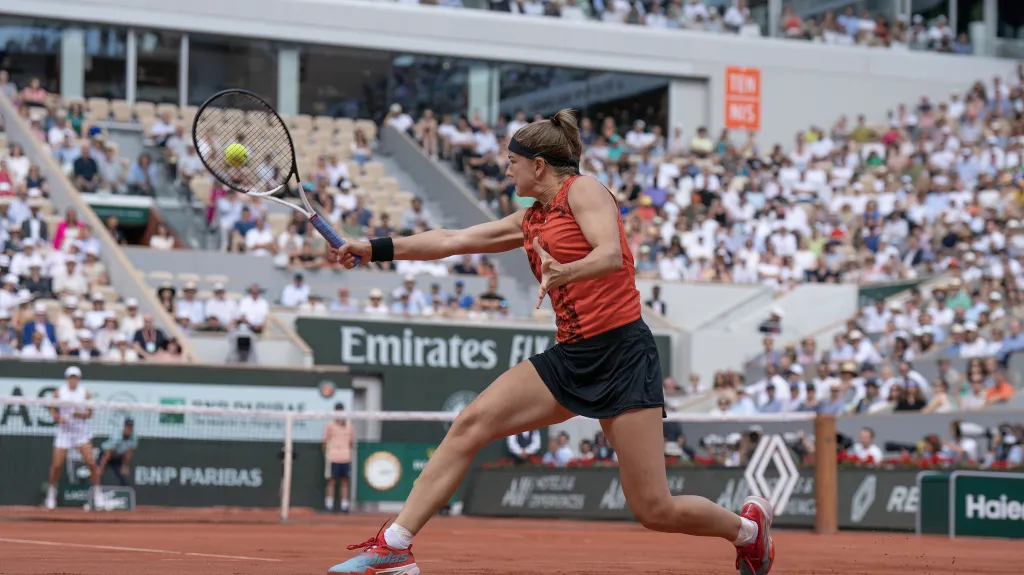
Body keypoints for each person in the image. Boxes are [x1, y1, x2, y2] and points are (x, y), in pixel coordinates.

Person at [325, 109, 774, 575]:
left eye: (511, 161)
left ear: (538, 165)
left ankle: (748, 532)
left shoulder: (584, 190)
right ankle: (396, 546)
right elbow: (452, 238)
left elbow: (611, 255)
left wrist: (566, 271)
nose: (505, 170)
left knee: (654, 509)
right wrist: (373, 248)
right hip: (572, 354)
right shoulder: (531, 219)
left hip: (622, 354)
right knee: (470, 423)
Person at [44, 366, 103, 510]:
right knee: (57, 465)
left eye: (75, 377)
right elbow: (51, 406)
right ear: (67, 378)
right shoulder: (60, 392)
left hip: (80, 432)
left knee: (91, 462)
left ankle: (97, 493)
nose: (73, 380)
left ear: (78, 379)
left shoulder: (85, 393)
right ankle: (51, 493)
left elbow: (90, 413)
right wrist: (57, 417)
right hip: (64, 432)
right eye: (71, 377)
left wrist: (81, 415)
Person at [323, 403, 354, 513]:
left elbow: (351, 442)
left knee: (344, 481)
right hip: (332, 458)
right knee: (331, 481)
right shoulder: (330, 426)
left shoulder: (349, 426)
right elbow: (325, 441)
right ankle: (329, 505)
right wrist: (329, 453)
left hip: (345, 458)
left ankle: (344, 506)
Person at [98, 418, 138, 486]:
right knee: (98, 473)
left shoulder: (133, 438)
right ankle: (96, 491)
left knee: (123, 477)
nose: (129, 429)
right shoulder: (117, 436)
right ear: (124, 427)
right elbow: (108, 452)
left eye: (131, 427)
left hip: (117, 457)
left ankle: (123, 494)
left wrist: (124, 466)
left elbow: (129, 453)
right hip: (105, 455)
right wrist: (101, 467)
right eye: (128, 426)